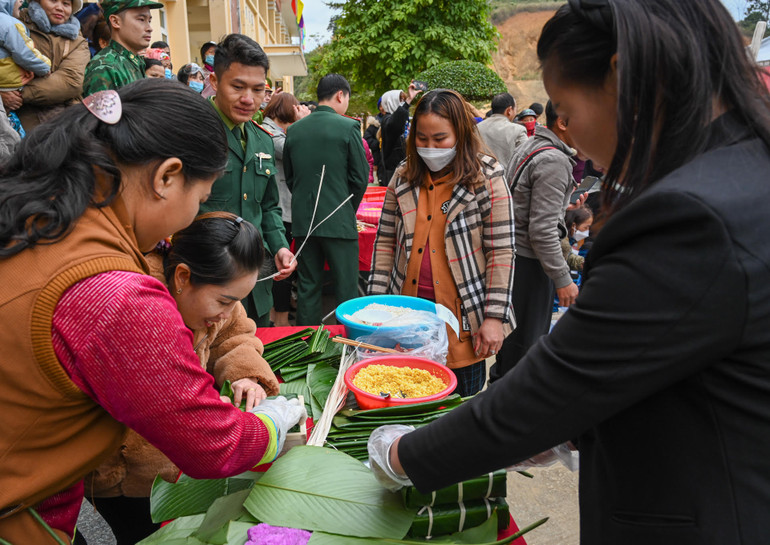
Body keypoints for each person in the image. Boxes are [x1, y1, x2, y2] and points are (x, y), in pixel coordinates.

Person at [368, 1, 770, 543]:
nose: (570, 134)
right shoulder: (744, 171)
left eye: (566, 108)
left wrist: (402, 455)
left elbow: (556, 387)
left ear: (622, 77)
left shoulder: (689, 215)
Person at [0, 79, 305, 544]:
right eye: (199, 199)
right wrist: (273, 423)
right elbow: (212, 444)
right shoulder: (114, 294)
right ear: (167, 177)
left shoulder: (39, 218)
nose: (193, 217)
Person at [84, 211, 281, 545]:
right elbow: (156, 403)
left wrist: (246, 374)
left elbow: (235, 336)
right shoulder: (137, 309)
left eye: (235, 301)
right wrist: (256, 428)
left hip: (176, 465)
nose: (226, 312)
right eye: (224, 301)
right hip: (121, 467)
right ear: (183, 277)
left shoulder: (215, 295)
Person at [368, 89, 515, 396]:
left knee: (459, 409)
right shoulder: (403, 176)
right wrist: (374, 309)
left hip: (462, 321)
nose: (430, 148)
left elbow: (501, 251)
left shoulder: (487, 177)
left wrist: (494, 317)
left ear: (461, 134)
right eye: (422, 139)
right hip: (403, 320)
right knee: (407, 400)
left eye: (440, 139)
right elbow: (384, 243)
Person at [201, 33, 296, 326]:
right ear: (215, 81)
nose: (248, 99)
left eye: (258, 90)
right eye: (237, 87)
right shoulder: (194, 132)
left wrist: (280, 246)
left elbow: (268, 206)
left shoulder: (261, 138)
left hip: (257, 280)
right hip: (209, 281)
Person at [487, 100, 579, 382]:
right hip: (530, 265)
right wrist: (563, 278)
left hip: (514, 259)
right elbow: (541, 231)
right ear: (562, 123)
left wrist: (563, 208)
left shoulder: (532, 144)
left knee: (511, 349)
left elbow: (527, 205)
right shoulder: (554, 160)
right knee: (523, 352)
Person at [283, 73, 368, 326]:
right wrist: (346, 209)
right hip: (339, 221)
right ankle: (347, 341)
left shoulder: (294, 130)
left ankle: (308, 342)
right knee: (346, 289)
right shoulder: (348, 127)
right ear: (340, 95)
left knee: (308, 287)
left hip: (303, 221)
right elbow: (360, 178)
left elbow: (291, 178)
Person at [261, 92, 310, 326]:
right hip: (279, 211)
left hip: (283, 208)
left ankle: (277, 316)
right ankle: (279, 320)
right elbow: (292, 149)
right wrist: (303, 125)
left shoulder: (277, 131)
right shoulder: (268, 132)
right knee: (281, 268)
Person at [14, 0, 89, 131]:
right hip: (24, 121)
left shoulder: (78, 42)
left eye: (66, 4)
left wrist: (17, 94)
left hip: (68, 122)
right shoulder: (16, 27)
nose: (60, 8)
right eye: (53, 0)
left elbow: (70, 81)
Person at [82, 0, 163, 96]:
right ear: (115, 21)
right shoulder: (106, 67)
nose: (149, 28)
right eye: (141, 20)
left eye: (149, 21)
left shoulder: (135, 61)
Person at [0, 0, 51, 116]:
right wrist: (44, 67)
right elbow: (24, 53)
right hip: (8, 84)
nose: (21, 2)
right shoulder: (10, 24)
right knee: (5, 124)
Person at [476, 92, 528, 175]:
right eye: (515, 109)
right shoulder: (518, 130)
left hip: (479, 178)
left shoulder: (476, 128)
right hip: (506, 180)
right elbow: (526, 158)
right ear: (509, 110)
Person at [379, 84, 421, 184]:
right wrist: (408, 101)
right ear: (390, 101)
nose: (402, 103)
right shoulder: (387, 120)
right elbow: (395, 124)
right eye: (400, 100)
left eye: (403, 100)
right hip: (393, 172)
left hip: (404, 168)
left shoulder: (402, 119)